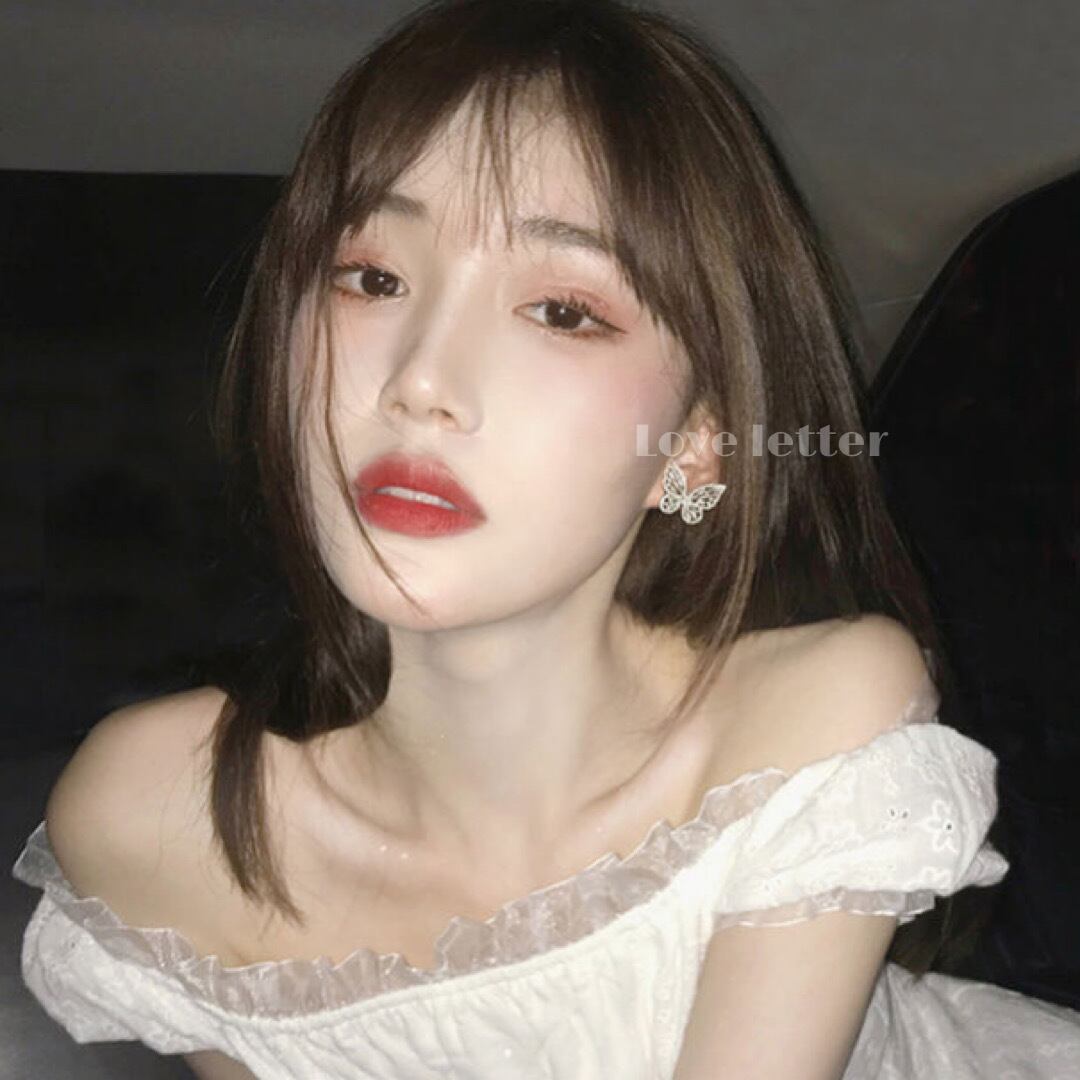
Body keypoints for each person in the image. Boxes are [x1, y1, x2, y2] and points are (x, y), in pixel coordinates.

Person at [12, 1, 1080, 1077]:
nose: (421, 381)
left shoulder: (805, 728)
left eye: (563, 311)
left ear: (692, 449)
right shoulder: (160, 819)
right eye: (373, 279)